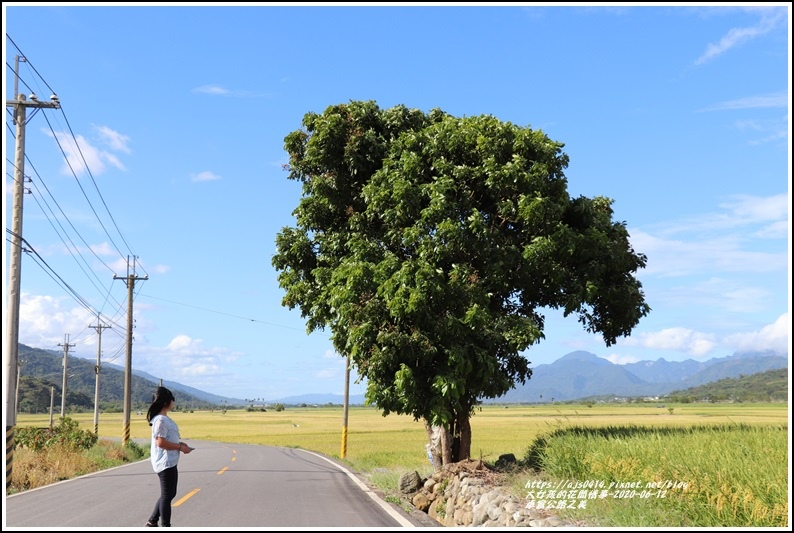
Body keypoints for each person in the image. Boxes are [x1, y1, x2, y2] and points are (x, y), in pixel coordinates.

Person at [145, 386, 192, 527]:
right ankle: (165, 525)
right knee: (167, 496)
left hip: (170, 461)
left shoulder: (164, 419)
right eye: (172, 400)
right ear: (166, 402)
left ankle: (152, 521)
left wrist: (179, 443)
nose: (174, 402)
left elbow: (166, 439)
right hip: (164, 462)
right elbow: (160, 442)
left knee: (170, 493)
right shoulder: (160, 420)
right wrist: (179, 447)